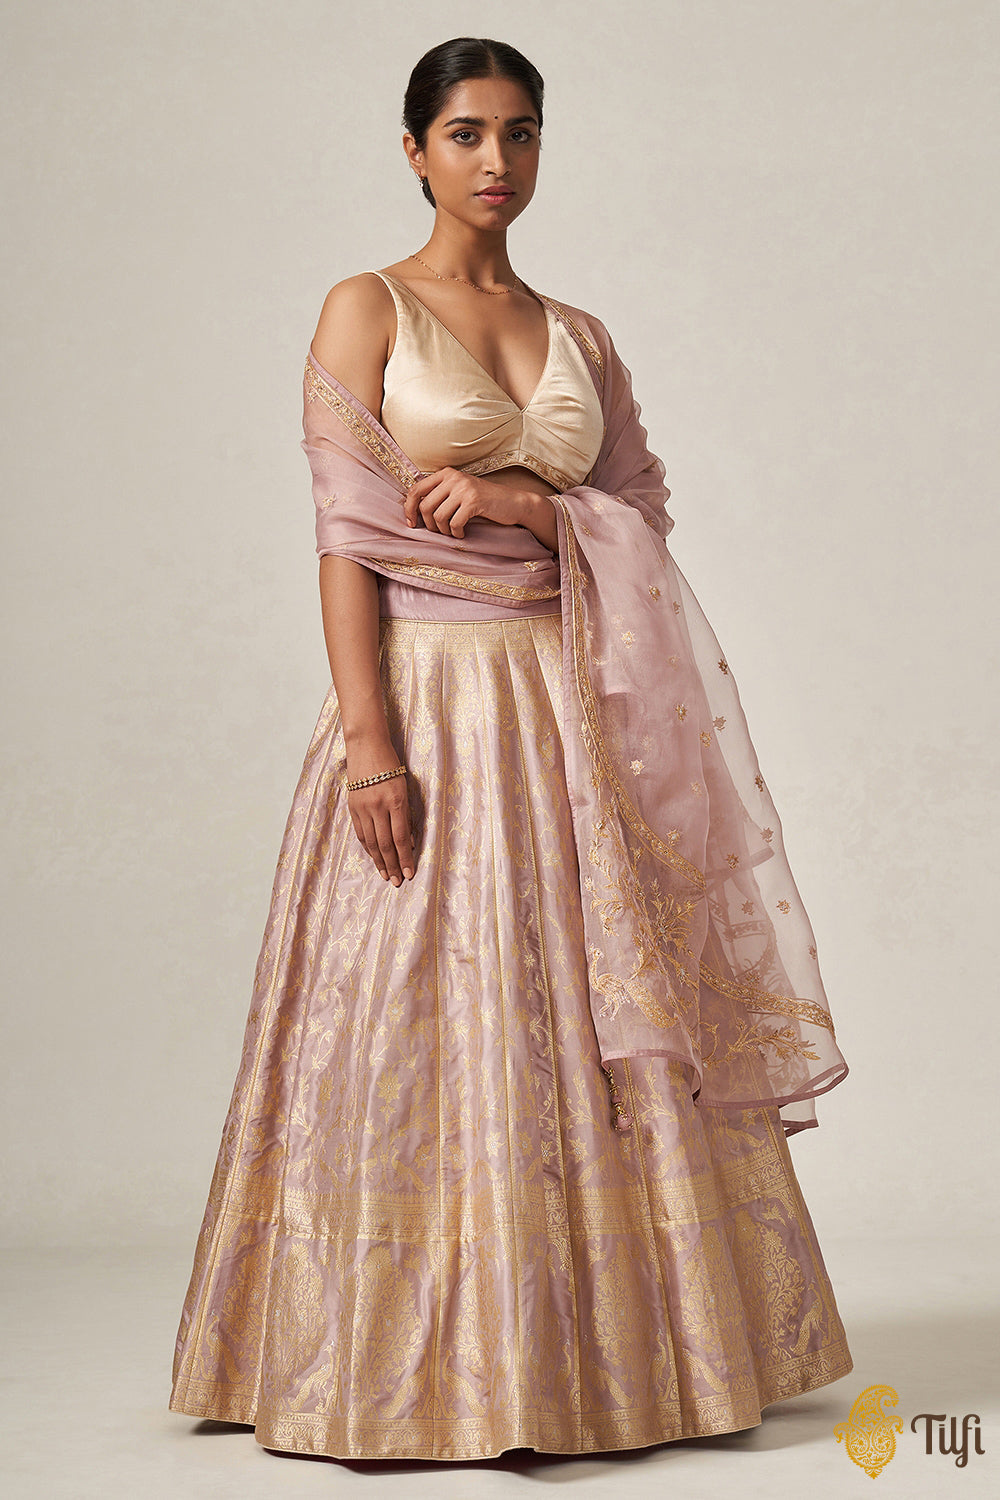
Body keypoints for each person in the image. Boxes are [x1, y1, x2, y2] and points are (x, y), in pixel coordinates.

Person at [169, 35, 853, 1463]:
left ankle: (610, 1361)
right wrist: (371, 748)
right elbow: (346, 541)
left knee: (590, 1011)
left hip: (573, 705)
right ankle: (400, 1363)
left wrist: (533, 508)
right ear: (414, 150)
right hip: (429, 696)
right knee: (421, 1008)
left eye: (521, 132)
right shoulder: (366, 307)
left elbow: (636, 517)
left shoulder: (580, 333)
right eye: (468, 133)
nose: (497, 160)